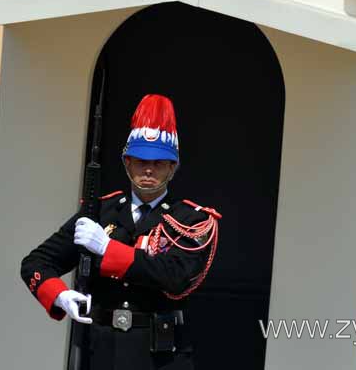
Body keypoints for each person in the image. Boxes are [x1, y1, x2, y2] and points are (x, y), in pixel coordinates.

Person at [20, 94, 220, 370]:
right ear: (127, 163)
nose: (148, 169)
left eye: (159, 163)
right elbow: (35, 262)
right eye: (140, 161)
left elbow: (176, 277)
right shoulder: (100, 212)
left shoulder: (190, 219)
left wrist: (108, 249)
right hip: (102, 353)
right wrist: (59, 295)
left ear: (172, 168)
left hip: (160, 358)